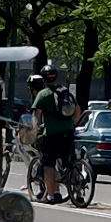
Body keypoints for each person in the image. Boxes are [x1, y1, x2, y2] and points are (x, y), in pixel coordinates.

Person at [30, 65, 81, 204]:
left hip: (52, 134)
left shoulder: (43, 94)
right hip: (68, 132)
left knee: (48, 164)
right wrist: (72, 125)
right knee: (70, 161)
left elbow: (37, 114)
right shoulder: (65, 91)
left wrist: (36, 130)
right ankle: (78, 191)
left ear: (44, 78)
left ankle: (51, 195)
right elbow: (77, 110)